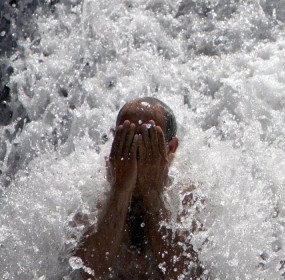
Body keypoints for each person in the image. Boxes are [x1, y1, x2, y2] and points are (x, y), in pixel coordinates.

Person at [72, 97, 203, 279]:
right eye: (128, 136)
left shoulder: (185, 195)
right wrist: (120, 189)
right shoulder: (90, 189)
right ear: (115, 140)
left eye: (149, 138)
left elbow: (187, 274)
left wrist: (152, 192)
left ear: (170, 147)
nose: (137, 147)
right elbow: (85, 271)